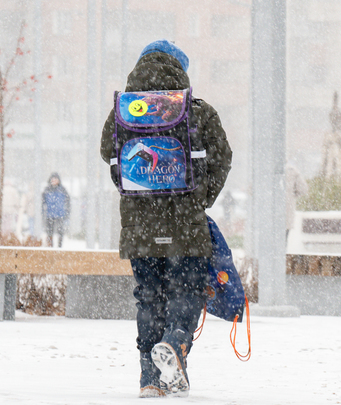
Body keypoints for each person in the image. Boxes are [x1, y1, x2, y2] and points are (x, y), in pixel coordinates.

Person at [100, 40, 232, 398]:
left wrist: (139, 196)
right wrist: (200, 198)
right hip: (185, 227)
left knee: (149, 298)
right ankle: (175, 344)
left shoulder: (123, 112)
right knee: (185, 292)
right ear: (181, 70)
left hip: (140, 229)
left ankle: (150, 377)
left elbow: (109, 157)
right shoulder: (197, 112)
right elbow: (223, 157)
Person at [41, 173, 70, 248]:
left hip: (60, 215)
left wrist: (67, 212)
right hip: (49, 215)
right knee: (49, 232)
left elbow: (67, 202)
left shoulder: (62, 190)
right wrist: (43, 212)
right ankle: (50, 246)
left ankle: (59, 246)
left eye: (55, 179)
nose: (54, 181)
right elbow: (43, 203)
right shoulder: (47, 190)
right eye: (52, 179)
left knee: (60, 232)